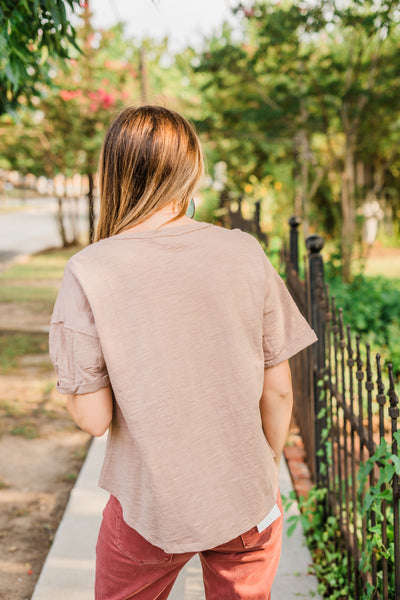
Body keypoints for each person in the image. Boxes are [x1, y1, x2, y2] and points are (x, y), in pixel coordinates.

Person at [49, 105, 317, 600]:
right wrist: (265, 466)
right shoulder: (244, 251)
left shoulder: (90, 269)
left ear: (114, 173)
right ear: (191, 169)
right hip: (244, 500)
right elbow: (278, 390)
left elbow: (93, 417)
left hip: (149, 506)